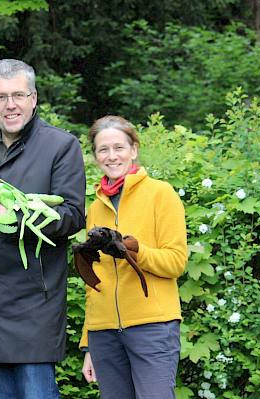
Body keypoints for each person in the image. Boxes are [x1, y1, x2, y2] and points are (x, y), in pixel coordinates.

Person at [0, 59, 86, 399]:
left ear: (34, 98)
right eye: (1, 97)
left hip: (33, 305)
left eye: (19, 95)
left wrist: (17, 219)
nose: (11, 105)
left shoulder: (61, 146)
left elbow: (72, 216)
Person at [79, 115, 188, 399]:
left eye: (119, 148)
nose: (111, 156)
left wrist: (134, 250)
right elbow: (93, 282)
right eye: (103, 150)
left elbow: (176, 261)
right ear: (95, 156)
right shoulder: (95, 208)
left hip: (152, 327)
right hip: (103, 334)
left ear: (134, 150)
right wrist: (89, 342)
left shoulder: (160, 194)